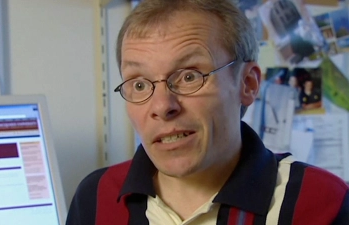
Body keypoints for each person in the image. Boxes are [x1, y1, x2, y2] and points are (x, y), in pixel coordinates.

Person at [66, 0, 349, 224]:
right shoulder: (97, 196)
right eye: (139, 84)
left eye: (189, 76)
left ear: (247, 84)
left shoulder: (321, 203)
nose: (163, 107)